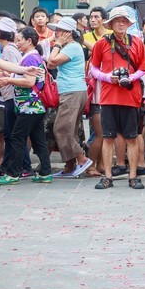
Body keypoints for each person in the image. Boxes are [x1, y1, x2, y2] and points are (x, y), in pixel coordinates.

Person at [89, 7, 145, 190]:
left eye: (124, 20)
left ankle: (133, 176)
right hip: (108, 97)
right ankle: (107, 176)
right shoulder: (102, 43)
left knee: (131, 138)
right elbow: (93, 69)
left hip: (130, 97)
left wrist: (131, 78)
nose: (121, 23)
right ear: (111, 24)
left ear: (129, 24)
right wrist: (108, 77)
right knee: (108, 138)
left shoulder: (137, 42)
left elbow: (143, 68)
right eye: (117, 20)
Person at [0, 27, 53, 185]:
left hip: (29, 106)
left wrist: (9, 80)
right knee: (38, 139)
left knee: (16, 137)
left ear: (29, 41)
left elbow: (29, 82)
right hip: (36, 106)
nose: (17, 44)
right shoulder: (32, 56)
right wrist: (10, 75)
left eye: (19, 40)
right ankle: (45, 173)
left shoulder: (30, 58)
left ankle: (13, 174)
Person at [46, 17, 92, 177]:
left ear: (67, 33)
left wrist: (57, 45)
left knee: (61, 128)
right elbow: (50, 64)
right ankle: (70, 166)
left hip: (72, 92)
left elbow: (52, 60)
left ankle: (82, 159)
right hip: (71, 92)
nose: (56, 33)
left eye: (59, 31)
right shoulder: (70, 47)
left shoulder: (72, 47)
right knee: (69, 130)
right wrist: (57, 49)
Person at [0, 18, 32, 178]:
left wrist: (23, 71)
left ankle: (18, 167)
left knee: (12, 134)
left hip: (12, 96)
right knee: (11, 134)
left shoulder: (9, 50)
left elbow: (13, 69)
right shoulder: (8, 49)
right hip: (9, 96)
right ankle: (15, 166)